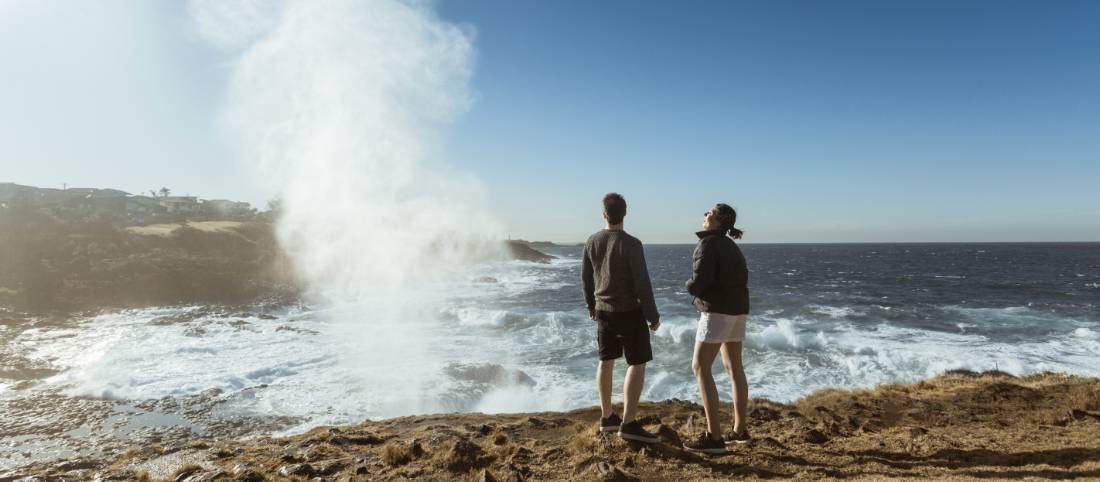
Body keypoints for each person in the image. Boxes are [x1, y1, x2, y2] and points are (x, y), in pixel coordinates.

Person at [582, 193, 661, 443]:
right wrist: (652, 315)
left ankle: (607, 417)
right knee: (637, 363)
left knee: (605, 360)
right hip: (629, 311)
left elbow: (586, 278)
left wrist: (591, 305)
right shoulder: (632, 244)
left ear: (604, 214)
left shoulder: (592, 241)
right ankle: (628, 423)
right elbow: (642, 283)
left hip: (603, 310)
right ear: (625, 213)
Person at [682, 203, 751, 454]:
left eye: (709, 212)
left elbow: (700, 281)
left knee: (700, 366)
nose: (705, 214)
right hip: (738, 309)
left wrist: (689, 286)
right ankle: (740, 430)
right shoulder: (732, 246)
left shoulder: (708, 243)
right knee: (734, 368)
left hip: (718, 310)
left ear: (719, 221)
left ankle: (714, 437)